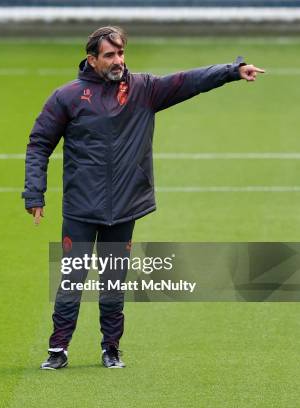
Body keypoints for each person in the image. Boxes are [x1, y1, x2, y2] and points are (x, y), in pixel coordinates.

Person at [22, 26, 264, 370]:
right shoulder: (68, 97)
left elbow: (188, 81)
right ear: (92, 59)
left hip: (124, 208)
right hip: (80, 208)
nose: (118, 60)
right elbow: (39, 144)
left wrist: (231, 71)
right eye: (110, 55)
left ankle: (111, 349)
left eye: (121, 53)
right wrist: (34, 191)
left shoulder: (143, 89)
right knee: (71, 282)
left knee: (113, 285)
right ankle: (58, 350)